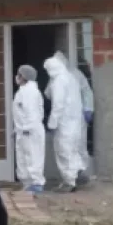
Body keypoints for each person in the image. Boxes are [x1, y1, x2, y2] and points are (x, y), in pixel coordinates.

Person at [43, 56, 86, 192]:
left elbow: (58, 104)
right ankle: (76, 172)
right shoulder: (70, 77)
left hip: (64, 121)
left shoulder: (58, 81)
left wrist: (52, 123)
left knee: (63, 150)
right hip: (75, 120)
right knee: (72, 148)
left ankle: (69, 181)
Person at [13, 64, 46, 193]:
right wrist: (18, 129)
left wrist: (27, 128)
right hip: (24, 130)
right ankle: (27, 184)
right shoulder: (24, 91)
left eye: (19, 74)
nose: (17, 77)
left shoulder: (29, 92)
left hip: (30, 131)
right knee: (24, 158)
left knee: (32, 156)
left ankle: (36, 183)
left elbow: (32, 113)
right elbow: (20, 113)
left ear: (23, 77)